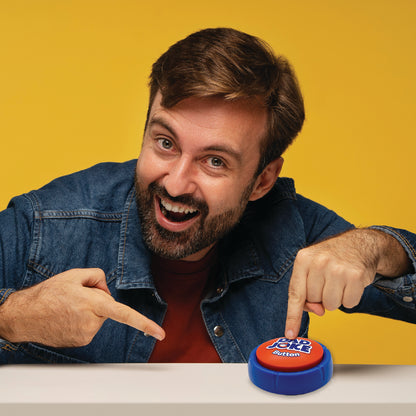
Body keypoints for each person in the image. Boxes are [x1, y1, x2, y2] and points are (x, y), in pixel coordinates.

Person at [0, 27, 415, 364]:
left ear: (262, 181)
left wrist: (374, 247)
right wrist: (11, 317)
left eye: (215, 161)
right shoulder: (46, 224)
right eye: (165, 142)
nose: (177, 183)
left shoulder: (291, 228)